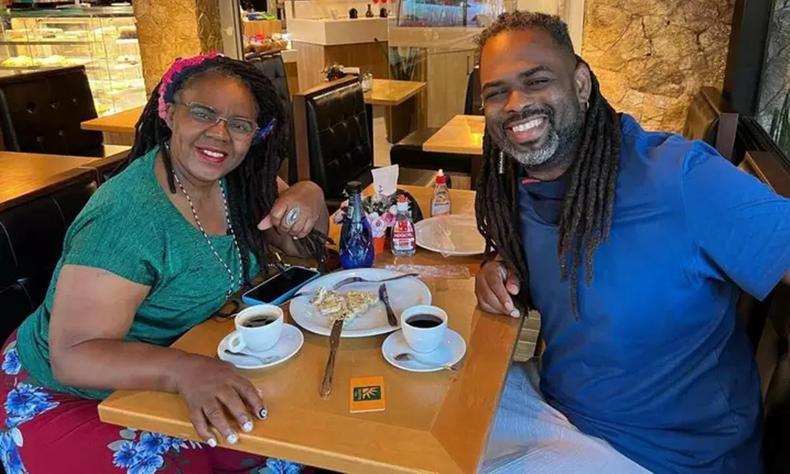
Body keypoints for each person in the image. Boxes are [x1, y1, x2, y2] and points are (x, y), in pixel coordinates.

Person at [474, 11, 790, 474]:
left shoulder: (679, 178)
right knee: (430, 421)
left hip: (667, 457)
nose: (516, 103)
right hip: (564, 410)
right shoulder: (518, 190)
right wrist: (500, 267)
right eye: (496, 92)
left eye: (536, 80)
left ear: (581, 84)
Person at [0, 53, 328, 473]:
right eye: (203, 112)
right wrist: (185, 371)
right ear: (170, 112)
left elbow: (306, 252)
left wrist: (308, 193)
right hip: (67, 393)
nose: (220, 134)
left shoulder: (239, 178)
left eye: (240, 124)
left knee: (300, 448)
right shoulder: (126, 217)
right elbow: (74, 355)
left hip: (176, 365)